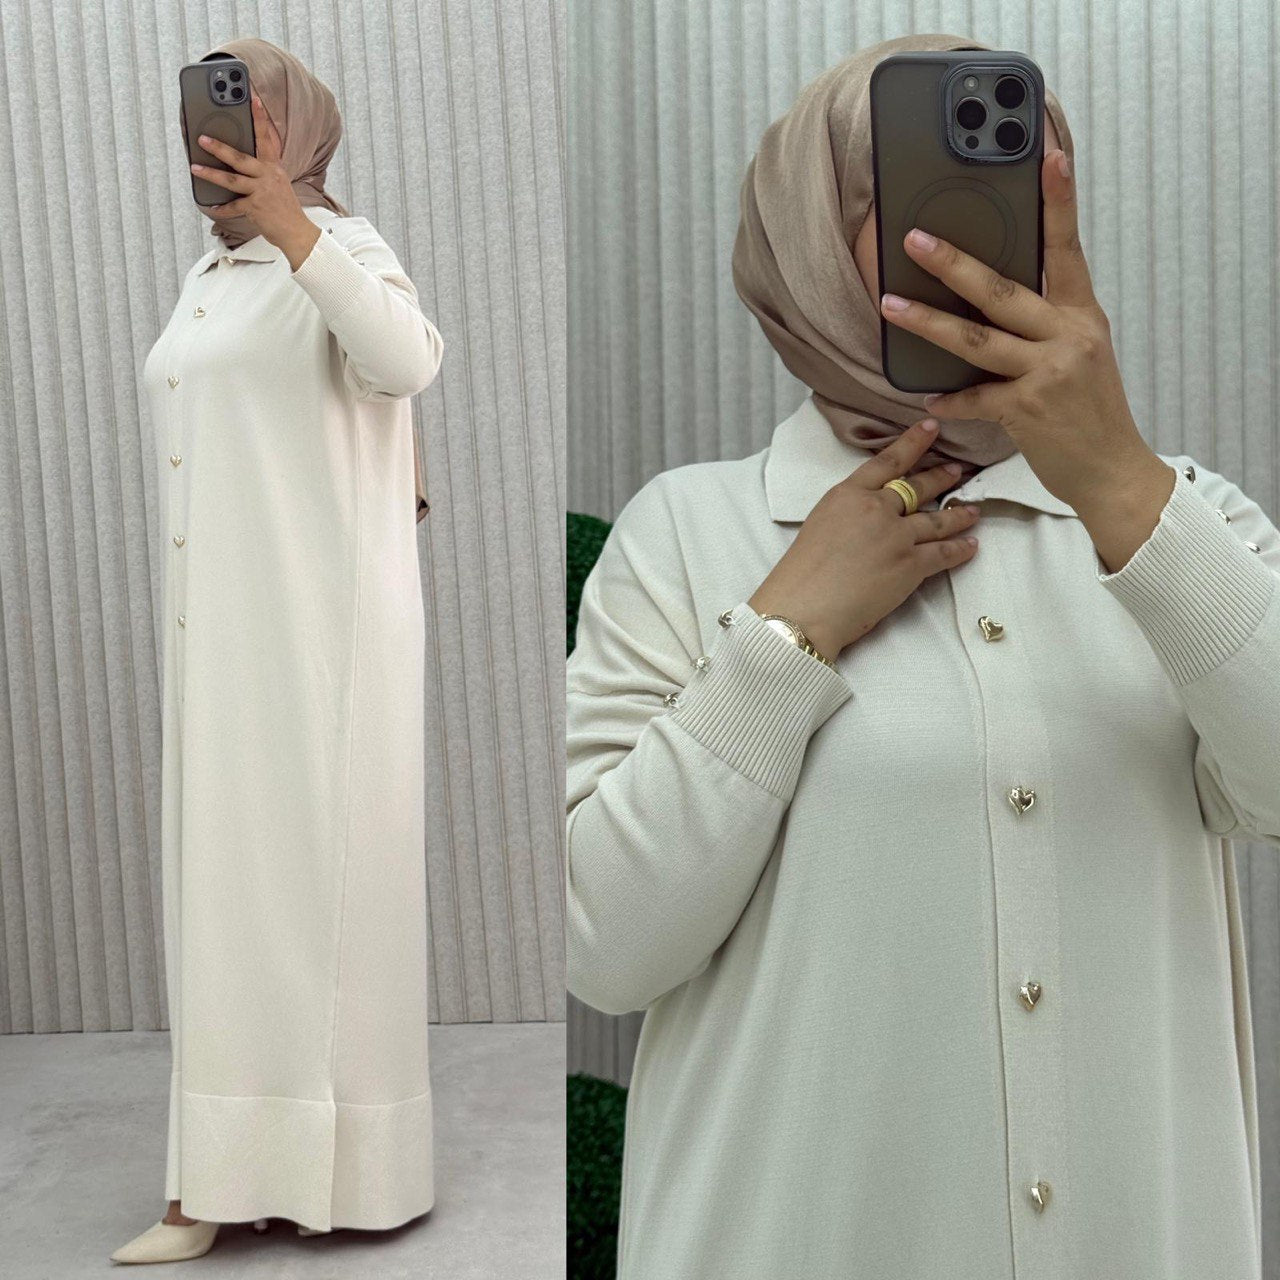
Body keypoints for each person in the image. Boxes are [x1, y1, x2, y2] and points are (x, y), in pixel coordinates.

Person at [566, 32, 1280, 1280]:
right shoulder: (683, 533)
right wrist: (785, 635)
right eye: (909, 193)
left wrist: (1118, 480)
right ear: (804, 235)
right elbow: (603, 946)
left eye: (1014, 194)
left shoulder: (1186, 524)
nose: (970, 239)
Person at [112, 37, 443, 1265]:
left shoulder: (339, 249)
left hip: (320, 645)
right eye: (199, 121)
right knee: (226, 904)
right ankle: (215, 1177)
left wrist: (296, 227)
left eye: (243, 115)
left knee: (325, 903)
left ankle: (345, 1176)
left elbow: (406, 361)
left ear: (291, 129)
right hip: (218, 645)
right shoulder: (208, 275)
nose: (213, 140)